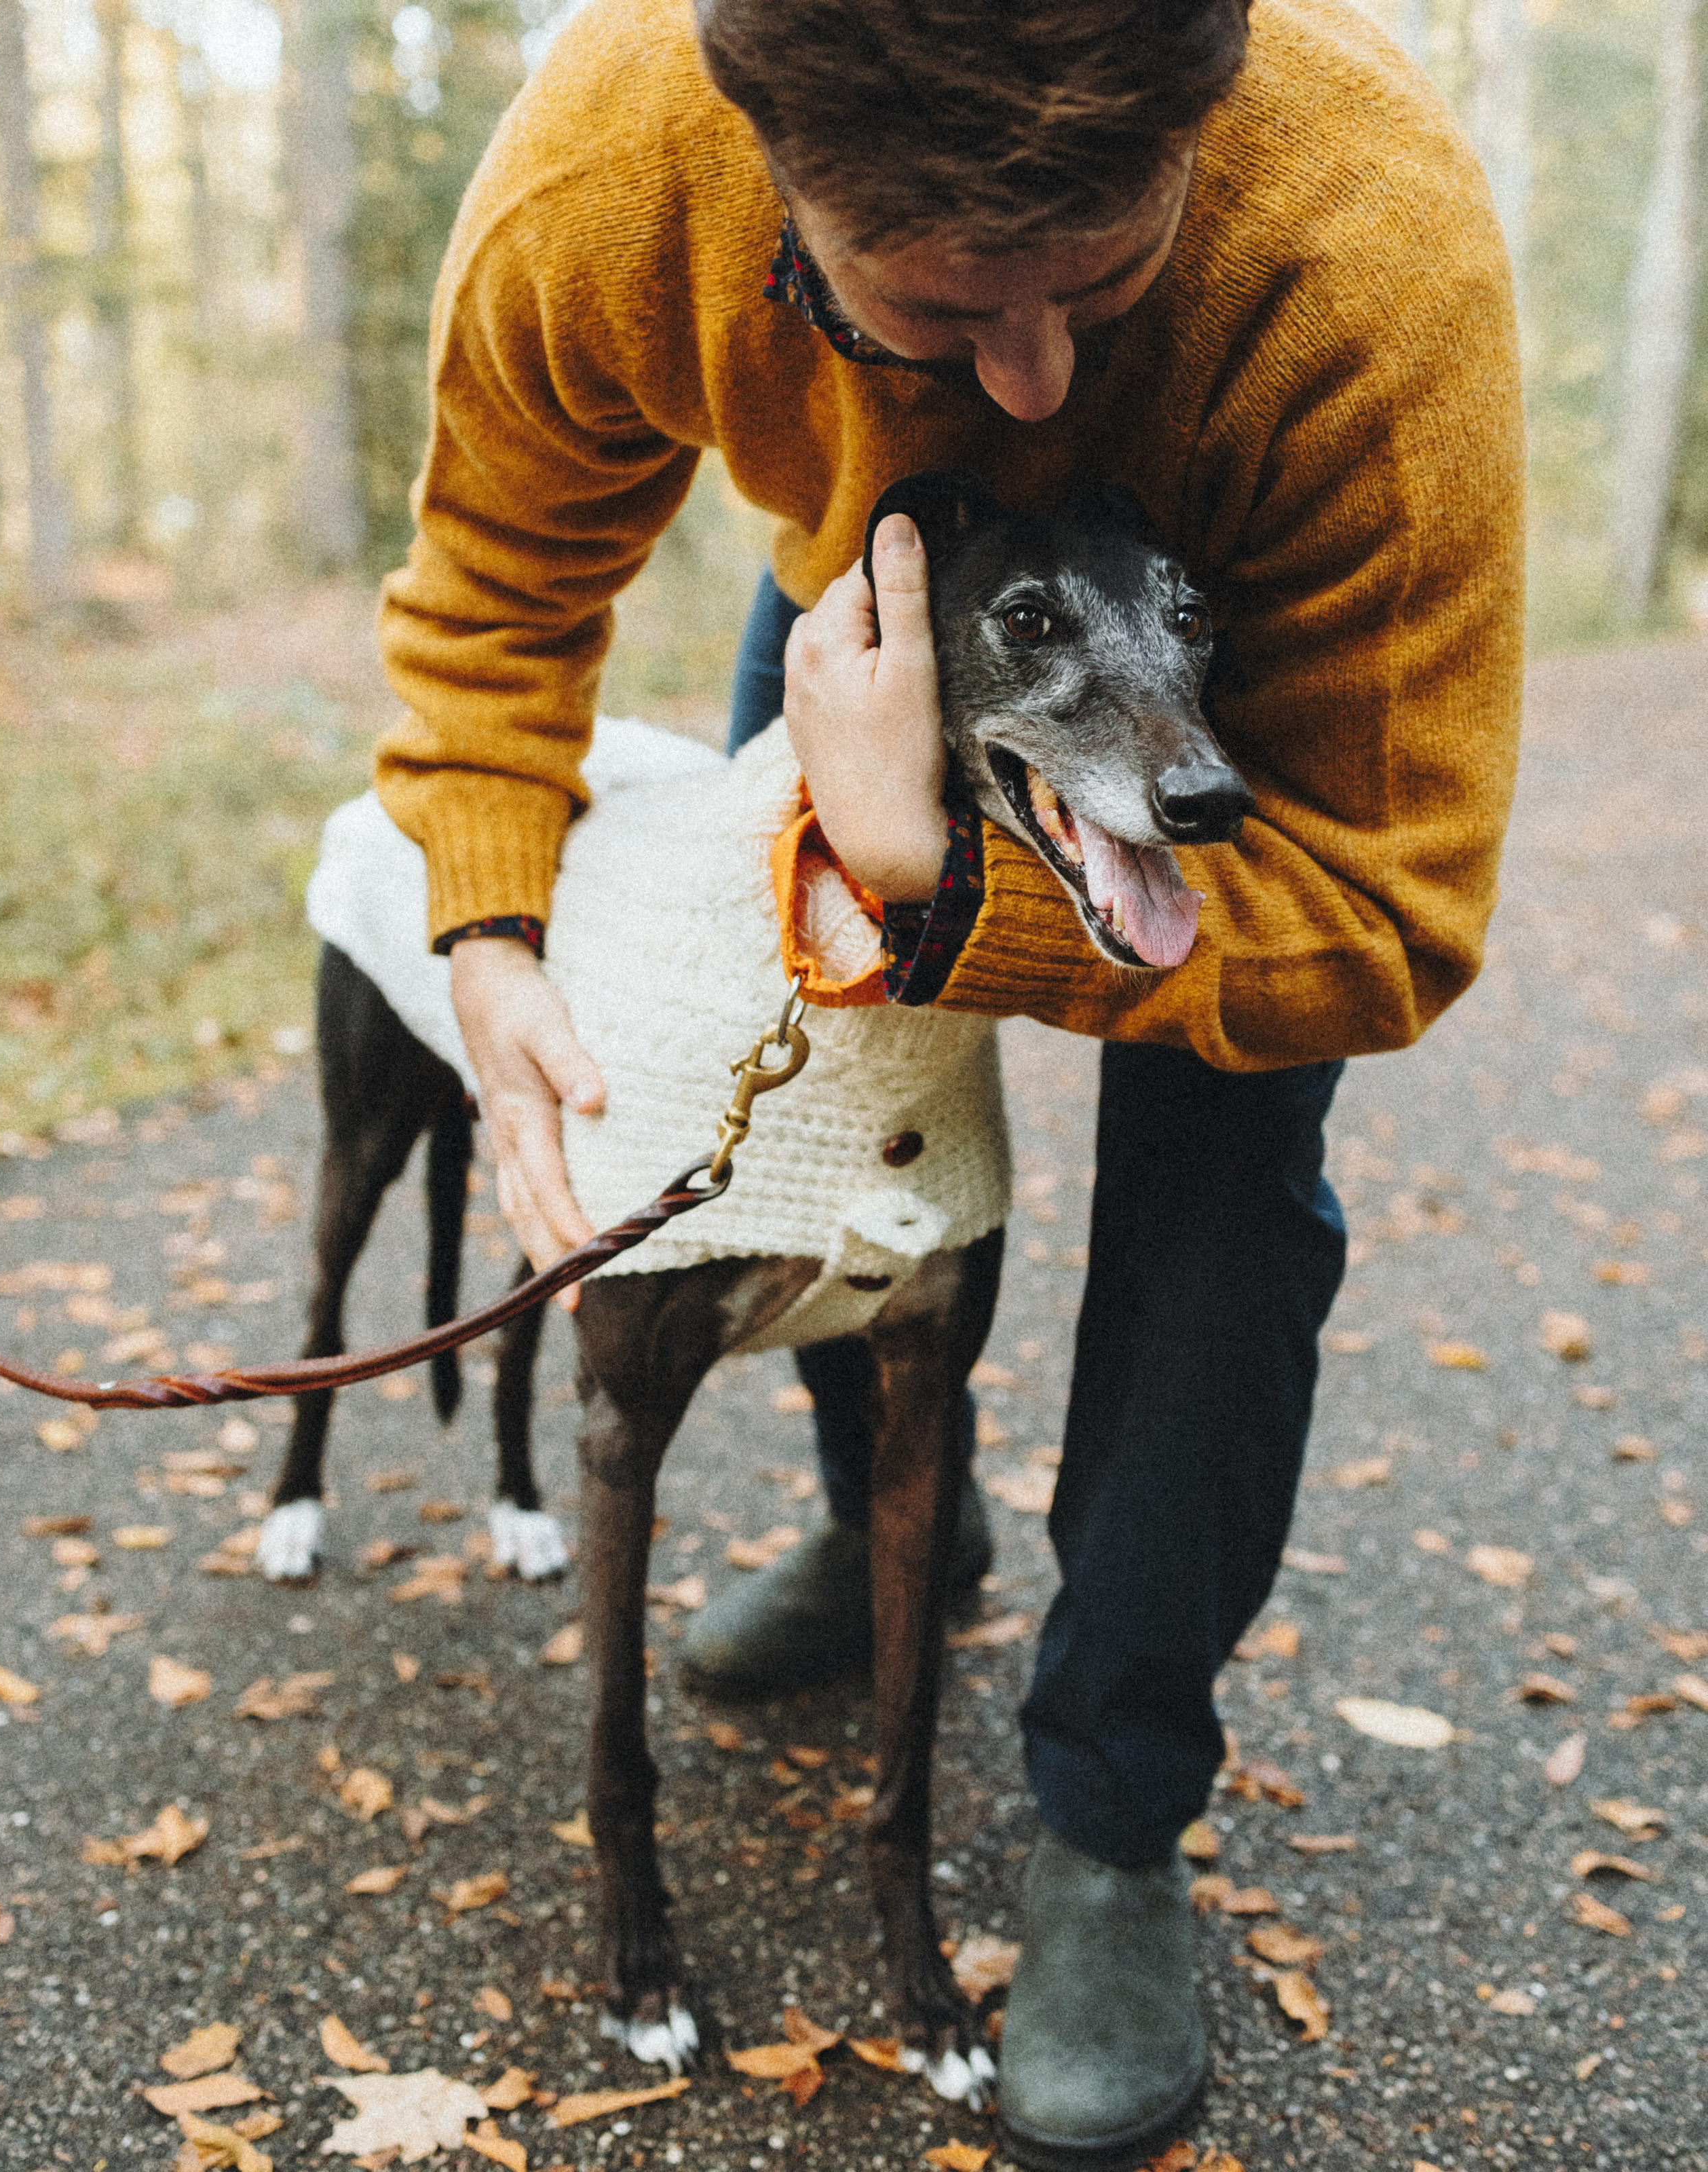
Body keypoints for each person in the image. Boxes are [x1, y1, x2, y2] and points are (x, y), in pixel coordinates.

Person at [371, 0, 1523, 2158]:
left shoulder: (1368, 257)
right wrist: (485, 914)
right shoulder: (619, 159)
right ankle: (887, 1517)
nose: (1030, 384)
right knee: (816, 1104)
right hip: (861, 594)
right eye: (936, 308)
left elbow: (1388, 922)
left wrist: (942, 895)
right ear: (766, 172)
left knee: (1226, 1179)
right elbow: (500, 589)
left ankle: (1106, 1805)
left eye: (1104, 279)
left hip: (1207, 651)